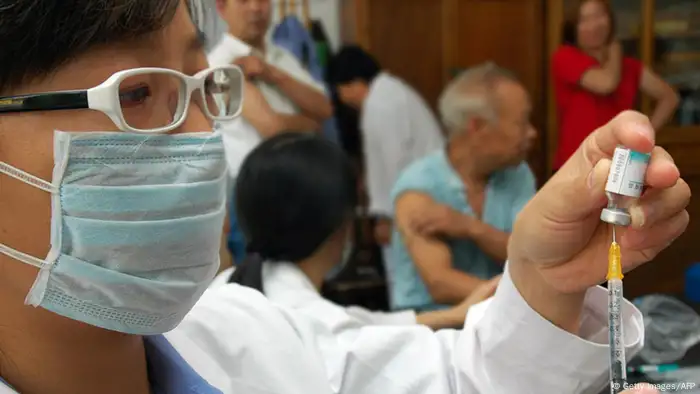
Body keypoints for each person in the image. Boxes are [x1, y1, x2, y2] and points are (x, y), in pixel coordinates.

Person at [0, 1, 687, 393]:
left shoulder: (249, 336)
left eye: (205, 86)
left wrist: (545, 280)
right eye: (139, 94)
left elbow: (456, 379)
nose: (205, 140)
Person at [214, 133, 501, 332]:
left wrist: (454, 314)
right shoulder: (318, 328)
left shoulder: (231, 287)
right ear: (339, 224)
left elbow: (359, 325)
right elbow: (359, 335)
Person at [389, 63, 537, 312]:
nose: (532, 133)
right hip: (434, 333)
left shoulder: (517, 173)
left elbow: (531, 256)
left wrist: (470, 228)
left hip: (501, 323)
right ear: (477, 127)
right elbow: (441, 283)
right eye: (522, 123)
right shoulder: (418, 186)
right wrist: (526, 301)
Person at [210, 0, 333, 266]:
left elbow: (325, 108)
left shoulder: (281, 57)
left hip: (299, 187)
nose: (255, 8)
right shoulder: (221, 65)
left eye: (263, 0)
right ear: (222, 8)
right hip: (255, 193)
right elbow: (272, 128)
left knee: (299, 287)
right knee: (260, 290)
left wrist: (271, 73)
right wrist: (309, 124)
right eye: (243, 1)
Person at [326, 45, 445, 270]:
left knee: (407, 274)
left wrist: (385, 218)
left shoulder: (381, 105)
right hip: (422, 196)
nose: (342, 99)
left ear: (350, 83)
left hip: (413, 204)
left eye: (338, 90)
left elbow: (394, 163)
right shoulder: (389, 93)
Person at [552, 0, 679, 170]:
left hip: (622, 165)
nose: (594, 25)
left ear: (610, 20)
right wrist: (615, 50)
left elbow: (670, 98)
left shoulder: (630, 66)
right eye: (584, 20)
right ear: (573, 28)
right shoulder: (565, 57)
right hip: (576, 165)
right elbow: (606, 83)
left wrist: (644, 135)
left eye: (599, 16)